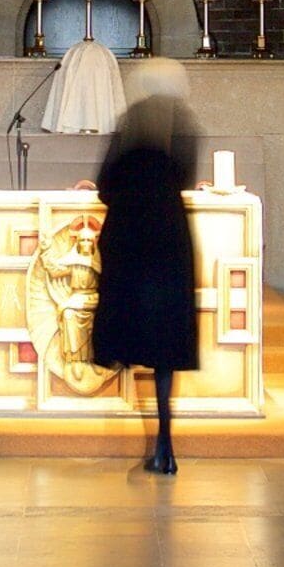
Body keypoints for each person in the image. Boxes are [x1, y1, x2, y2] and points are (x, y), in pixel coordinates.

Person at [90, 79, 203, 473]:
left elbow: (104, 186)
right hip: (169, 240)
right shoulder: (183, 126)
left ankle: (157, 444)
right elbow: (186, 179)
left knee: (133, 332)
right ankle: (164, 442)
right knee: (165, 348)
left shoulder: (131, 125)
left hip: (130, 240)